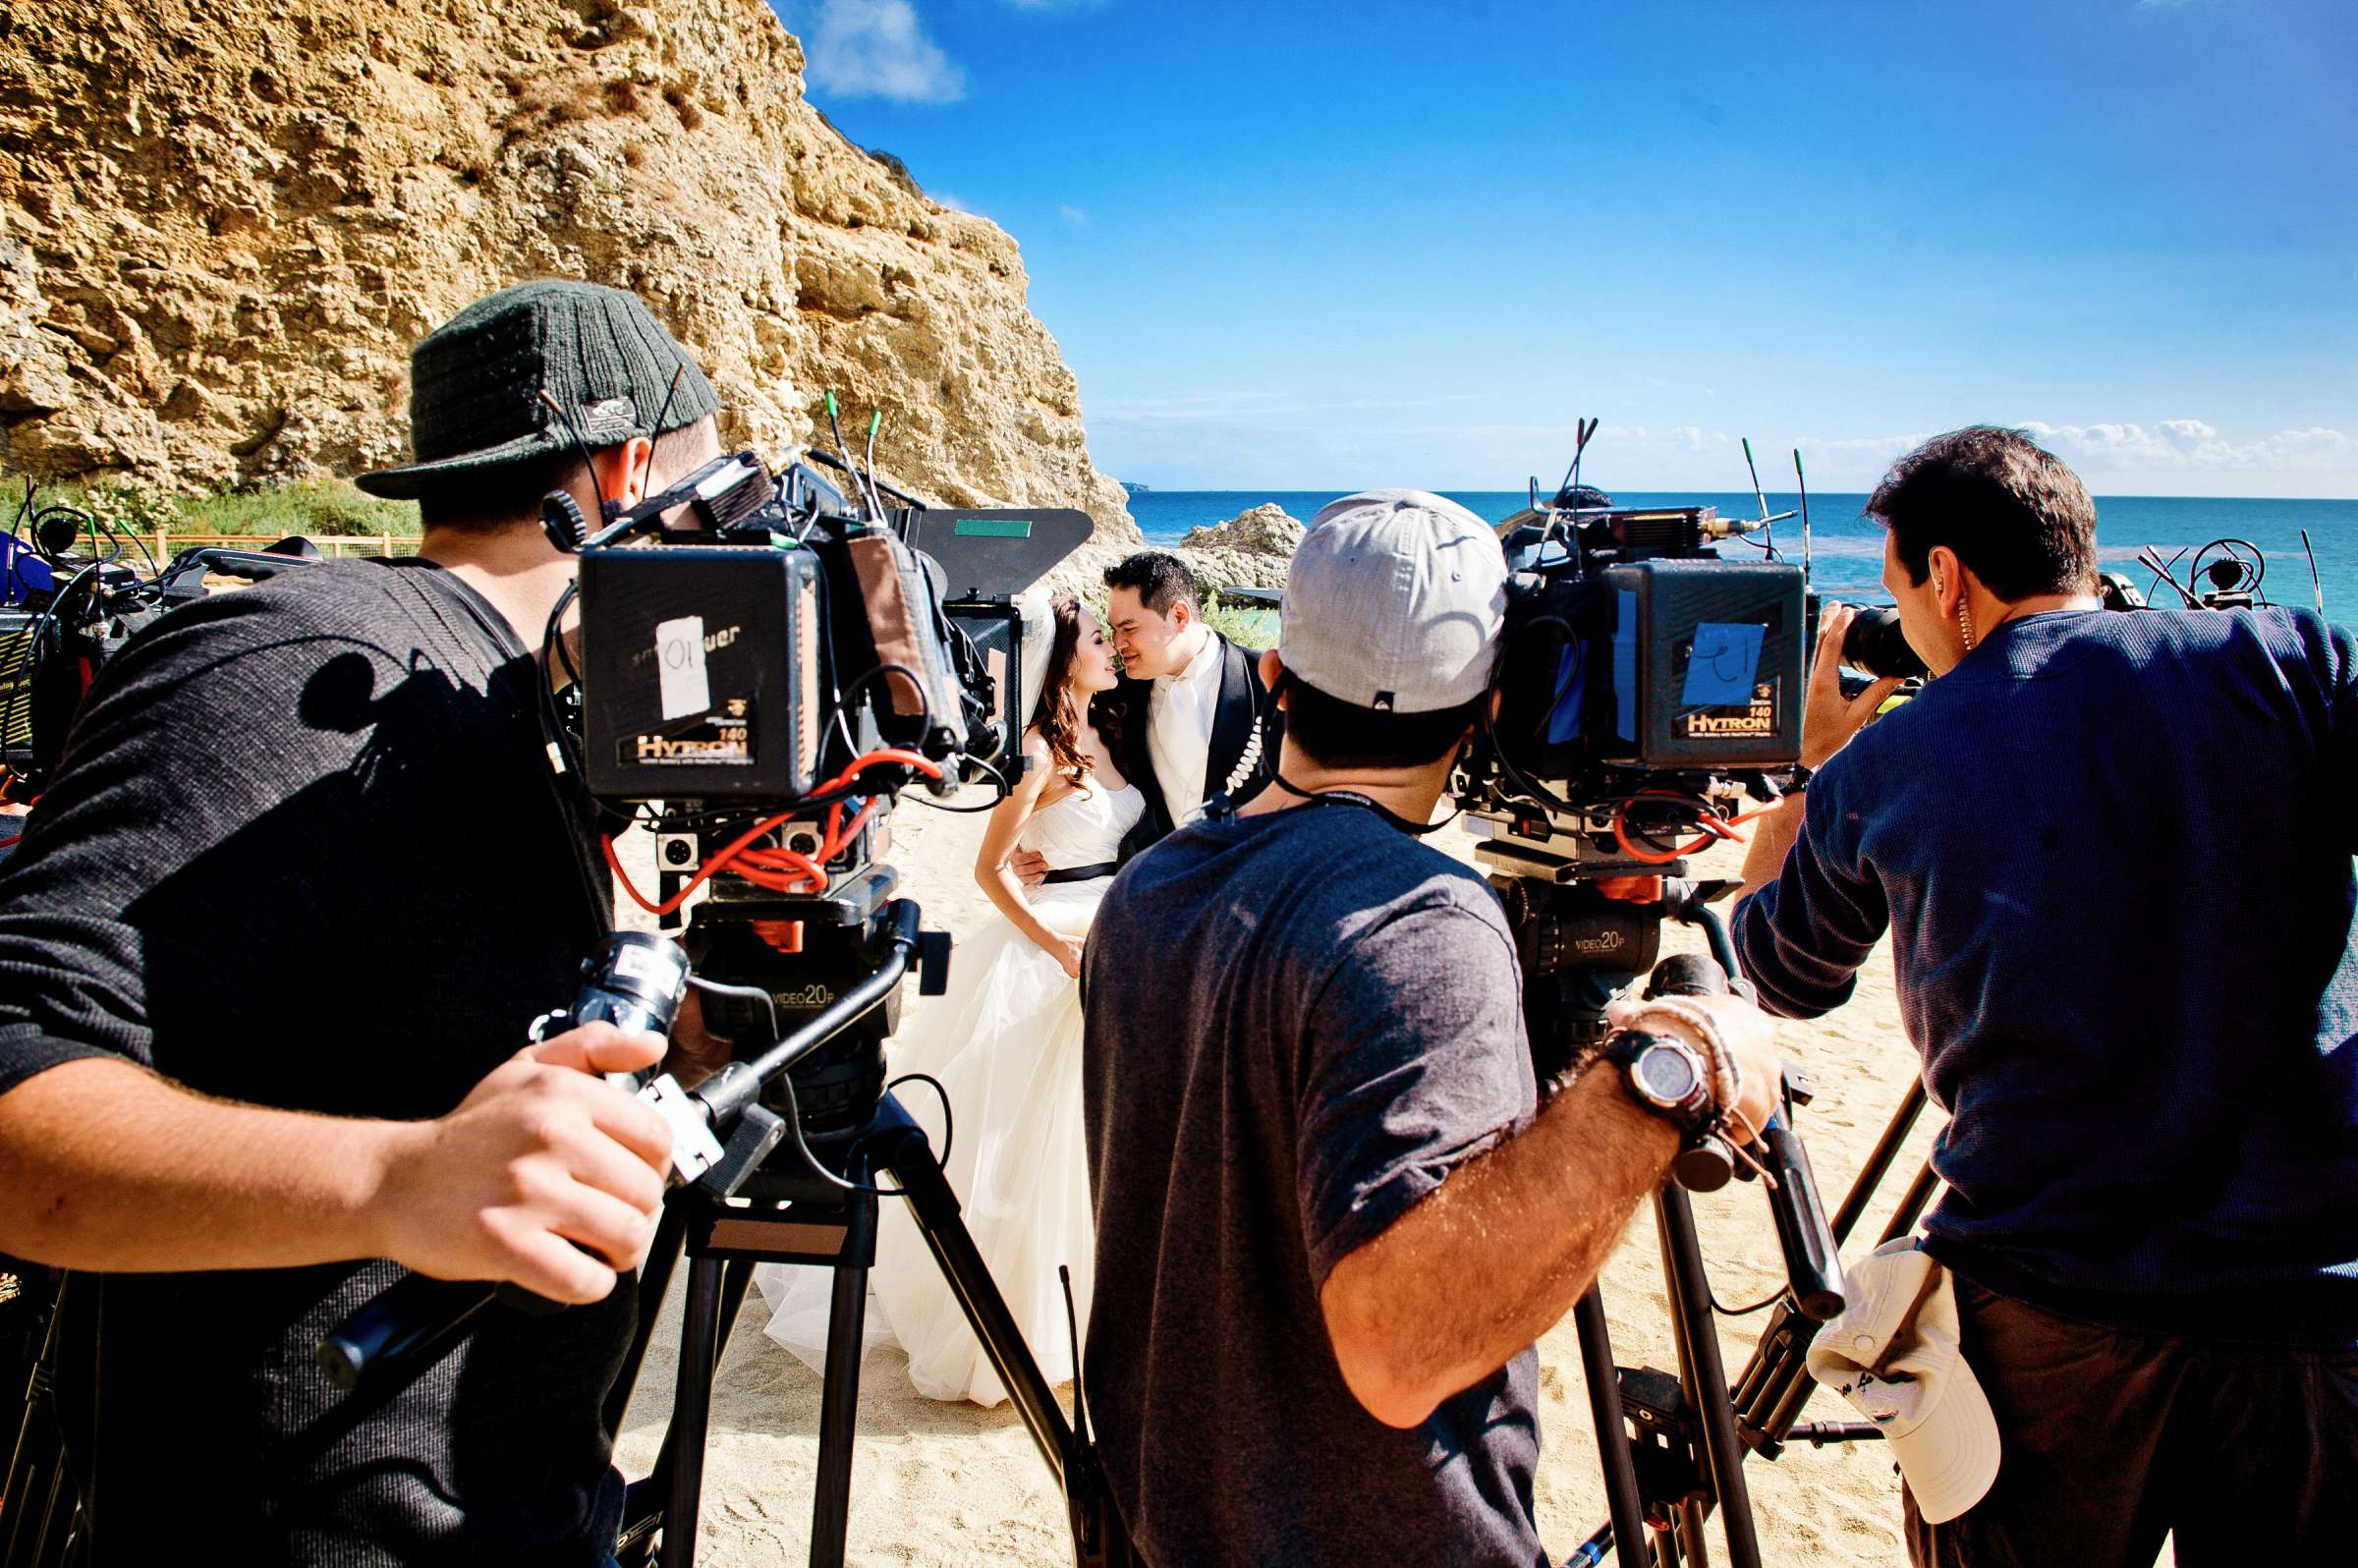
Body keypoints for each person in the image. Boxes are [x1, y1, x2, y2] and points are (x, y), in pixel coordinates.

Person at [0, 279, 734, 1565]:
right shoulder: (295, 661)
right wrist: (394, 1184)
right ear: (626, 476)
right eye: (720, 502)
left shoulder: (499, 705)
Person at [1081, 489, 1781, 1566]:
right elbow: (1400, 1350)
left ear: (1273, 677)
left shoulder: (1151, 891)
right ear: (1490, 710)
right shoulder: (1420, 923)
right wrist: (1673, 1071)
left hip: (1168, 1522)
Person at [1730, 426, 2358, 1566]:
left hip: (2050, 1296)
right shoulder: (2287, 660)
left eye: (1900, 598)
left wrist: (1811, 776)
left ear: (1950, 579)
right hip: (2312, 1286)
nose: (1906, 631)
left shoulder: (1890, 764)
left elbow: (1781, 971)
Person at [757, 593, 1137, 1404]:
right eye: (1098, 638)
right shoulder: (1038, 753)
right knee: (1024, 1142)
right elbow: (988, 869)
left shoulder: (1108, 729)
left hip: (1109, 924)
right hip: (1053, 950)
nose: (1110, 647)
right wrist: (1056, 945)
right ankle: (1012, 1324)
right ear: (1062, 657)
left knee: (1081, 1137)